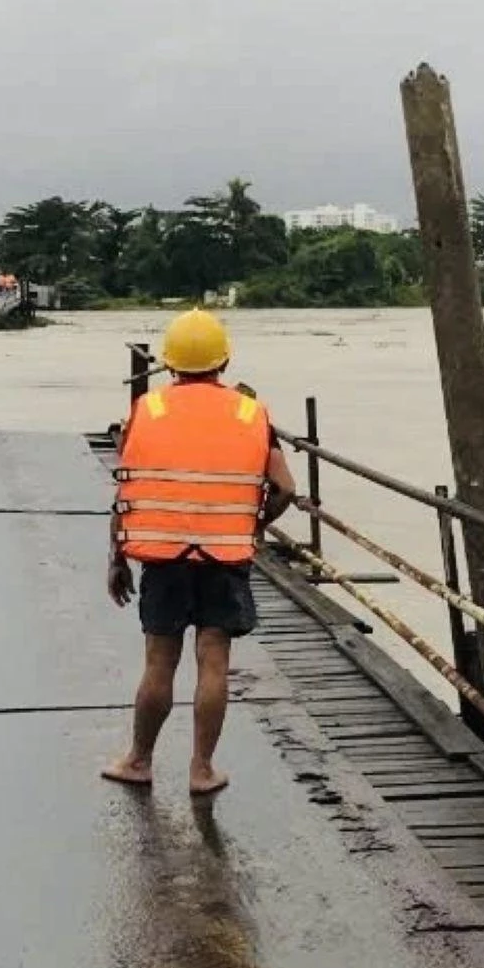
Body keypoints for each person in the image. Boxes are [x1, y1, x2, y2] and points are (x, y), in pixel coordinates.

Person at [103, 308, 295, 797]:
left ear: (168, 364)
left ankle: (139, 760)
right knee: (213, 662)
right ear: (223, 361)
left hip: (163, 556)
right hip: (224, 557)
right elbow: (285, 488)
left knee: (159, 661)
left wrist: (117, 557)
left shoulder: (147, 410)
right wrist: (254, 524)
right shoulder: (251, 413)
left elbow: (129, 489)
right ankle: (202, 769)